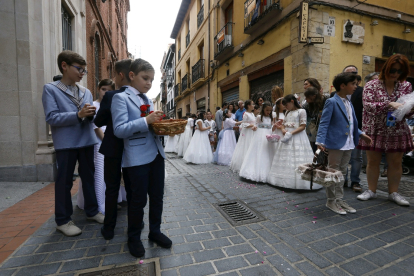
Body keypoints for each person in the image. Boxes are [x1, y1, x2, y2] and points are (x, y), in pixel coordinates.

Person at [111, 58, 171, 258]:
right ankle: (134, 238)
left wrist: (161, 127)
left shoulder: (149, 100)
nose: (149, 83)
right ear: (131, 75)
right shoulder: (120, 98)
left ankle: (155, 231)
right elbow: (119, 130)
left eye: (152, 80)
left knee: (157, 197)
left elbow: (150, 126)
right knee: (137, 200)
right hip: (136, 157)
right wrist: (146, 120)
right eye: (145, 78)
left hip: (156, 154)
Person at [42, 50, 103, 237]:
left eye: (84, 70)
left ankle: (92, 211)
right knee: (64, 182)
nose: (82, 73)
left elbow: (90, 117)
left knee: (89, 178)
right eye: (79, 69)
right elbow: (51, 117)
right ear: (64, 66)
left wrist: (91, 114)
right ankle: (63, 220)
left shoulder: (86, 92)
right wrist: (78, 115)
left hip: (86, 140)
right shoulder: (50, 89)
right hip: (66, 144)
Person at [357, 54, 413, 206]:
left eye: (400, 72)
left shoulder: (406, 86)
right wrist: (389, 104)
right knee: (373, 161)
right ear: (386, 68)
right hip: (375, 128)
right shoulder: (371, 85)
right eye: (393, 70)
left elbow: (406, 112)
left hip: (397, 129)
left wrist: (410, 109)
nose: (396, 74)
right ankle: (371, 190)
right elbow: (368, 106)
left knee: (395, 163)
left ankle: (393, 193)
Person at [316, 73, 372, 214]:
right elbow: (324, 123)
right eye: (353, 83)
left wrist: (361, 134)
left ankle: (339, 199)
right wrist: (320, 141)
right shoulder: (332, 101)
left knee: (342, 172)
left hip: (348, 143)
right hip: (336, 143)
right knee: (333, 171)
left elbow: (351, 123)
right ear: (342, 85)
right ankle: (331, 200)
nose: (356, 86)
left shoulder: (349, 102)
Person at [93, 59, 132, 240]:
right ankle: (135, 225)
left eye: (114, 74)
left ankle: (109, 229)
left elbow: (98, 121)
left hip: (112, 148)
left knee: (112, 188)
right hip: (132, 147)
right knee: (133, 188)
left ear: (120, 75)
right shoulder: (138, 96)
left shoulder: (111, 96)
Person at [77, 79, 125, 216]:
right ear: (98, 89)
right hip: (99, 141)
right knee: (100, 173)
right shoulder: (94, 105)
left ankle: (111, 200)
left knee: (111, 173)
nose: (106, 92)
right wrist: (106, 140)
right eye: (104, 89)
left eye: (110, 90)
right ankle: (99, 204)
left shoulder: (114, 102)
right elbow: (95, 125)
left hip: (111, 139)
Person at [267, 95, 319, 189]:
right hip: (287, 136)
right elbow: (283, 125)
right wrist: (283, 130)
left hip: (297, 136)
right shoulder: (287, 112)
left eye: (286, 105)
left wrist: (291, 133)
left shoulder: (301, 111)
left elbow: (303, 126)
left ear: (292, 101)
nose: (285, 107)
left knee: (298, 157)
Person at [240, 102, 276, 182]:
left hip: (268, 136)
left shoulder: (271, 117)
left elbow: (271, 128)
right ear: (263, 109)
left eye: (270, 111)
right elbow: (256, 125)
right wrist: (255, 128)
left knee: (268, 152)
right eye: (267, 110)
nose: (268, 112)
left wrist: (275, 126)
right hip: (260, 136)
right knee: (260, 152)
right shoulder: (259, 117)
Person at [230, 100, 257, 172]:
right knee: (246, 147)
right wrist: (252, 125)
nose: (254, 106)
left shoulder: (252, 114)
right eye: (252, 104)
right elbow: (244, 124)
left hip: (252, 132)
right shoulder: (246, 114)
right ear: (248, 105)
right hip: (247, 133)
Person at [302, 87, 329, 153]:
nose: (305, 99)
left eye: (307, 97)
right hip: (316, 130)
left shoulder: (326, 98)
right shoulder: (307, 105)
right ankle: (318, 162)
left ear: (314, 96)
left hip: (328, 127)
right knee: (317, 150)